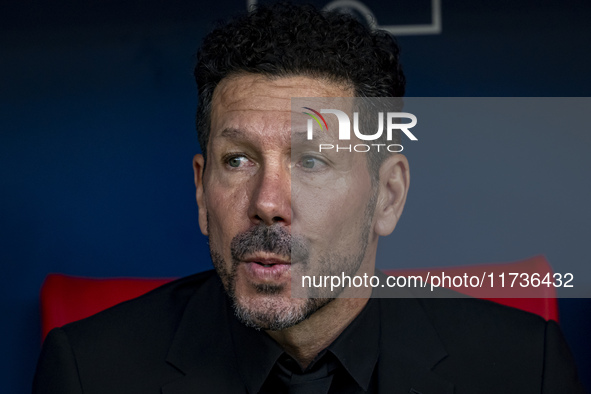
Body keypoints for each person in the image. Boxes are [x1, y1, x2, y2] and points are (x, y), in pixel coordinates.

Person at [33, 2, 584, 393]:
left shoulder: (521, 368)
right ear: (202, 192)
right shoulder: (89, 372)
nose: (268, 202)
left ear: (387, 197)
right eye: (239, 160)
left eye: (313, 161)